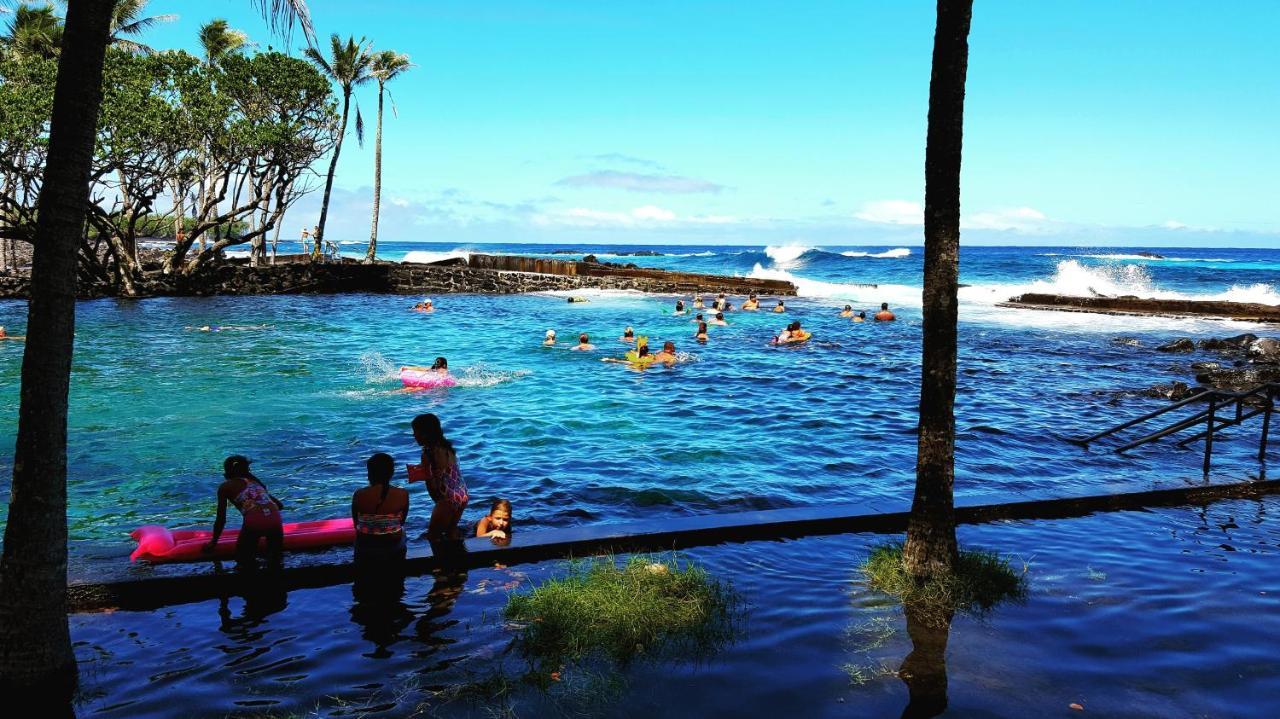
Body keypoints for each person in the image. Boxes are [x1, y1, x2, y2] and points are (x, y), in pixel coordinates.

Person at [203, 455, 284, 569]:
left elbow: (221, 519)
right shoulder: (256, 483)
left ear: (227, 471)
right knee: (275, 560)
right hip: (275, 519)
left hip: (255, 521)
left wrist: (214, 541)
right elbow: (280, 506)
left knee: (243, 559)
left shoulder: (225, 487)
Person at [409, 413, 469, 540]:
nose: (413, 435)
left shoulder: (427, 453)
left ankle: (443, 559)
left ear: (425, 434)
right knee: (451, 532)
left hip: (447, 498)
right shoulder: (447, 447)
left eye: (415, 432)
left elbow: (430, 482)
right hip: (462, 493)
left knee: (433, 536)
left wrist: (438, 502)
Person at [352, 453, 410, 564]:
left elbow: (356, 524)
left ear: (369, 473)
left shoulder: (359, 494)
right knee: (402, 531)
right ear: (391, 473)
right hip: (393, 545)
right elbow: (401, 522)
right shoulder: (403, 494)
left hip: (365, 545)